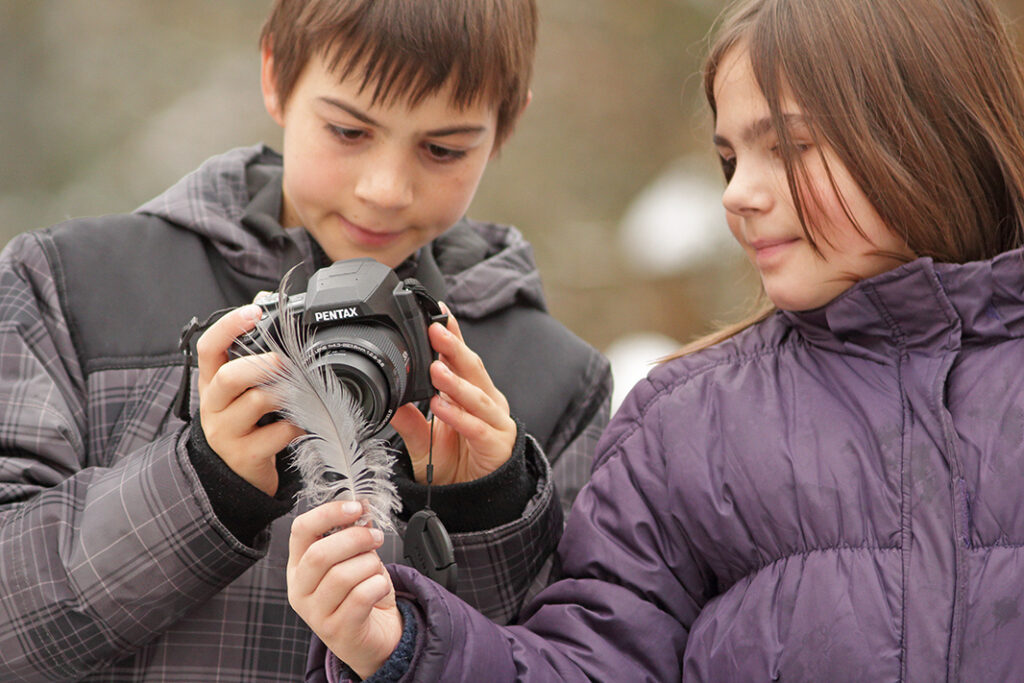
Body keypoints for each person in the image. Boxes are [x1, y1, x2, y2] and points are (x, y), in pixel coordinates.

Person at [289, 0, 1024, 680]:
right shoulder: (682, 424)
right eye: (731, 159)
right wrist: (407, 647)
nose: (737, 193)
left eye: (790, 147)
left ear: (934, 136)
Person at [0, 1, 612, 680]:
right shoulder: (74, 285)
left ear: (507, 124)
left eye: (443, 148)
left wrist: (491, 510)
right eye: (349, 130)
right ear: (274, 76)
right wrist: (202, 482)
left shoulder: (556, 377)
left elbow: (581, 657)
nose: (385, 189)